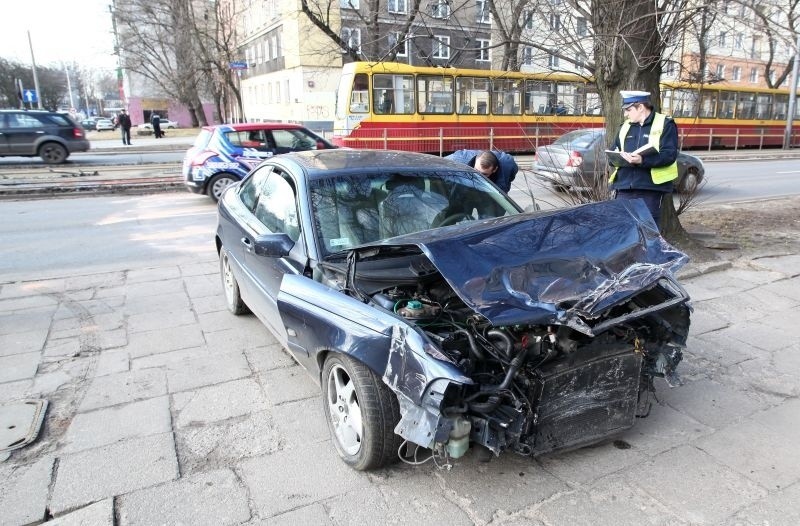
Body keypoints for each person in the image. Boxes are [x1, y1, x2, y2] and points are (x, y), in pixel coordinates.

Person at [608, 90, 679, 229]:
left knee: (647, 231)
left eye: (628, 110)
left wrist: (642, 160)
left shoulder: (665, 124)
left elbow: (669, 155)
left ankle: (648, 252)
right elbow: (613, 153)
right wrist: (616, 158)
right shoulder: (624, 127)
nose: (625, 114)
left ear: (640, 107)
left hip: (649, 188)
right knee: (623, 230)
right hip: (624, 187)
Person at [445, 149, 518, 193]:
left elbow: (510, 177)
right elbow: (436, 163)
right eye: (476, 171)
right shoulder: (458, 159)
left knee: (492, 217)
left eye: (484, 174)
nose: (479, 176)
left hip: (491, 194)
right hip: (466, 191)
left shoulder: (507, 166)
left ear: (495, 169)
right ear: (475, 162)